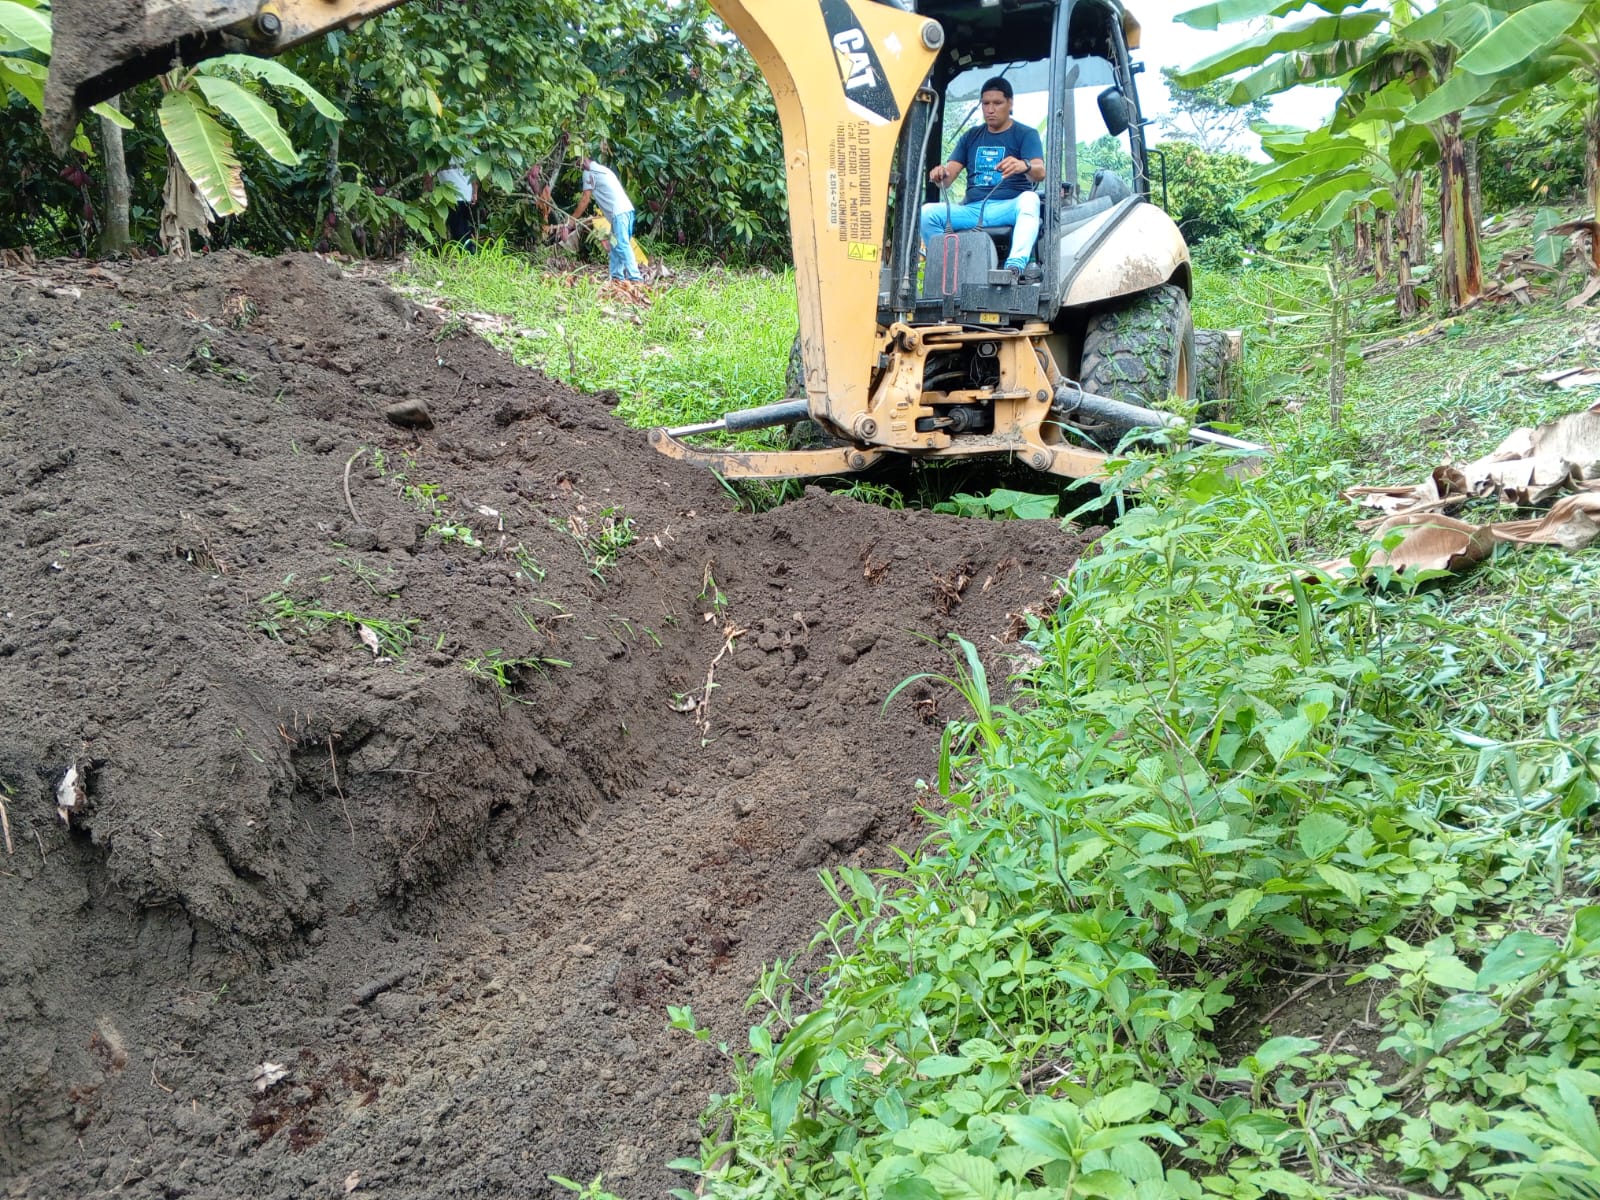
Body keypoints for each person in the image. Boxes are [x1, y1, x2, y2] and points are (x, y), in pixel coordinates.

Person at [921, 76, 1045, 284]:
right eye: (986, 104)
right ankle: (948, 272)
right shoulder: (971, 136)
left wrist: (1024, 165)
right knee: (927, 213)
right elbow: (947, 179)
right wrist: (940, 174)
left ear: (1010, 103)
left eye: (997, 103)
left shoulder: (1026, 134)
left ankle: (1013, 268)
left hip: (1008, 206)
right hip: (973, 210)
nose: (990, 109)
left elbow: (1040, 172)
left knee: (1030, 199)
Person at [567, 152, 643, 282]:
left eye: (577, 160)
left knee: (622, 245)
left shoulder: (588, 172)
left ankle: (635, 278)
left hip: (618, 214)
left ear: (583, 158)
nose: (577, 165)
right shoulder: (603, 169)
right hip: (626, 211)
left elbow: (585, 200)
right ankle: (616, 278)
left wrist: (571, 221)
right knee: (615, 245)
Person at [438, 159, 477, 250]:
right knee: (464, 228)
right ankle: (470, 252)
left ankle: (466, 253)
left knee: (458, 230)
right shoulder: (466, 154)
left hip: (452, 197)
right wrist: (474, 193)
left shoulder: (437, 155)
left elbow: (428, 175)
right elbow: (474, 174)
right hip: (466, 195)